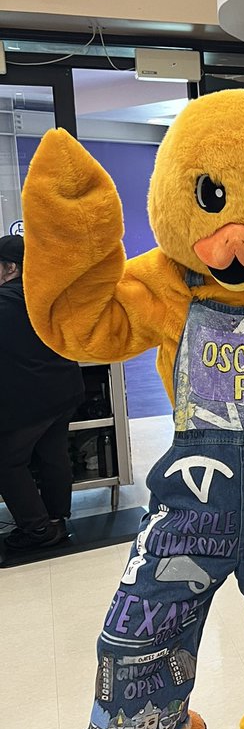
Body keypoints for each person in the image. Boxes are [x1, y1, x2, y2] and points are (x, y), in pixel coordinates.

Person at [0, 233, 85, 559]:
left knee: (8, 462)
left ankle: (37, 530)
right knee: (53, 454)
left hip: (28, 400)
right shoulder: (51, 295)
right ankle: (56, 520)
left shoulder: (5, 300)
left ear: (11, 267)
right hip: (64, 391)